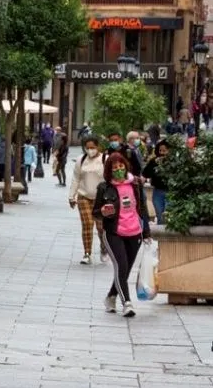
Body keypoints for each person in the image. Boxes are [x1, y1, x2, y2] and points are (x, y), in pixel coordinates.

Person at [93, 152, 151, 318]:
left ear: (126, 166)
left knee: (125, 270)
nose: (118, 170)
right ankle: (127, 303)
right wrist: (103, 211)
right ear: (109, 170)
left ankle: (111, 297)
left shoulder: (135, 184)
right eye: (114, 168)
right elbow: (95, 212)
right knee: (121, 266)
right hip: (114, 232)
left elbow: (142, 208)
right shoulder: (104, 187)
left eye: (121, 166)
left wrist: (146, 232)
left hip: (134, 233)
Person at [69, 136, 106, 265]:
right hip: (84, 196)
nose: (90, 150)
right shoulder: (81, 160)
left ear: (98, 147)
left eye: (92, 147)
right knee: (87, 224)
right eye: (87, 148)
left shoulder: (105, 159)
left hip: (101, 199)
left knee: (101, 227)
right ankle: (87, 253)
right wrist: (71, 196)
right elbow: (76, 178)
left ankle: (104, 247)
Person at [142, 140, 170, 225]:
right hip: (157, 190)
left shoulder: (174, 162)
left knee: (168, 214)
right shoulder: (154, 161)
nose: (162, 153)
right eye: (160, 150)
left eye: (164, 150)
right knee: (159, 214)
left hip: (170, 191)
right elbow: (145, 174)